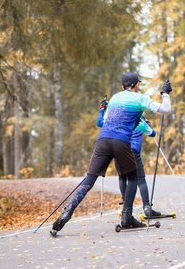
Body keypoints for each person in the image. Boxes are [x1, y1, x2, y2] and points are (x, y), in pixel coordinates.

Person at [51, 73, 172, 234]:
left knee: (89, 180)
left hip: (102, 140)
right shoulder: (140, 98)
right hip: (120, 141)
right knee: (133, 177)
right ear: (136, 85)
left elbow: (104, 121)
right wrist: (165, 94)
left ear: (123, 87)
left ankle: (68, 211)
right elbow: (166, 110)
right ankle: (127, 217)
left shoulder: (114, 98)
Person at [96, 100, 162, 218]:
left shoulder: (120, 119)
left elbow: (100, 123)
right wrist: (148, 125)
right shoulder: (141, 121)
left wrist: (102, 109)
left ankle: (125, 207)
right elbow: (152, 134)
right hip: (134, 151)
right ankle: (147, 207)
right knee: (140, 179)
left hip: (120, 150)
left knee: (122, 177)